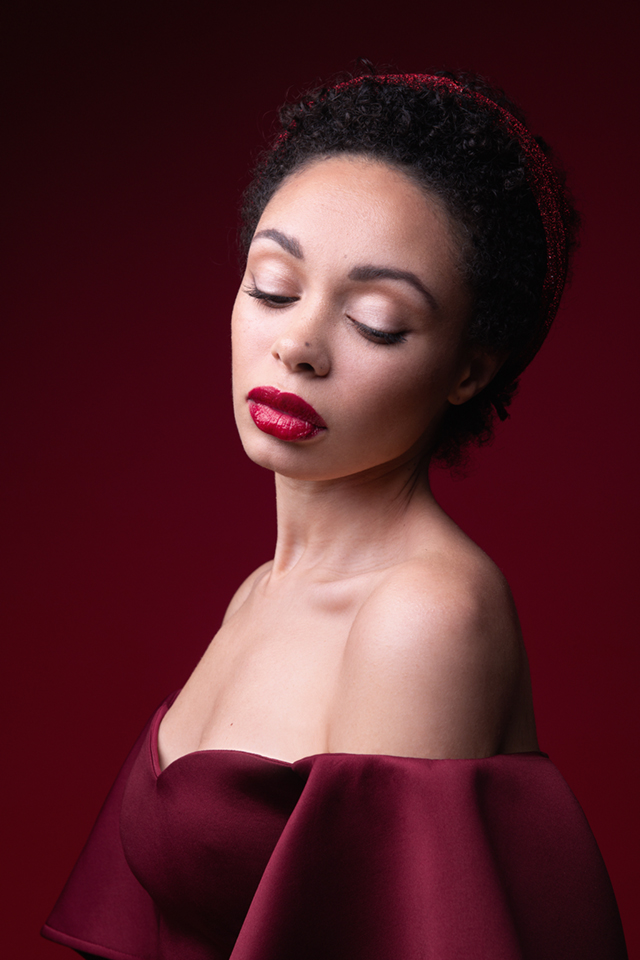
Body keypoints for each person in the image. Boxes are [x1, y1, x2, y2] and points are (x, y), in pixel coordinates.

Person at [42, 69, 627, 959]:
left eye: (378, 321)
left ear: (469, 370)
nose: (298, 346)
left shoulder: (423, 616)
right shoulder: (259, 593)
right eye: (273, 287)